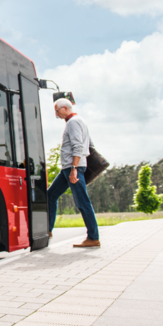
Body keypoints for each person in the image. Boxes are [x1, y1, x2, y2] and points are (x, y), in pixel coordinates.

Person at [47, 98, 100, 248]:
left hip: (72, 168)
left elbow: (78, 147)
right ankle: (48, 229)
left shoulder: (73, 122)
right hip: (67, 168)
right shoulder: (76, 121)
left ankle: (93, 237)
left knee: (82, 202)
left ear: (65, 108)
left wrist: (74, 169)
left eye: (57, 111)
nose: (57, 115)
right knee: (51, 195)